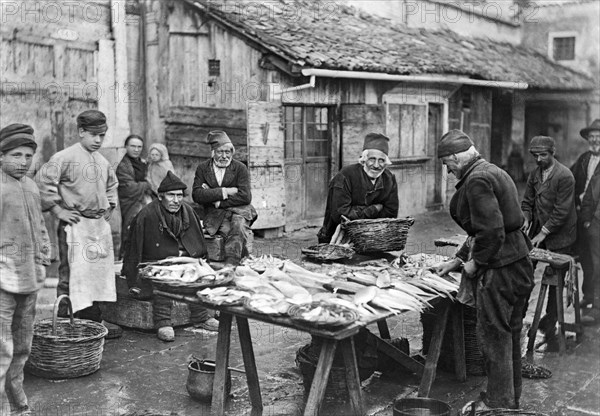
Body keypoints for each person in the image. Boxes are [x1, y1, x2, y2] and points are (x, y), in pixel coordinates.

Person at [433, 130, 534, 411]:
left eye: (447, 164)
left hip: (500, 269)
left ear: (454, 156)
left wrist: (475, 264)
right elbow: (484, 227)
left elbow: (490, 231)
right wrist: (457, 259)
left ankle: (498, 404)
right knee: (510, 333)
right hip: (519, 262)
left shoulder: (476, 180)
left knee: (494, 335)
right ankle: (510, 399)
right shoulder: (491, 171)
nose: (448, 170)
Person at [35, 110, 119, 327]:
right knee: (70, 274)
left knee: (96, 273)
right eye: (93, 135)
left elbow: (112, 185)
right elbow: (43, 182)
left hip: (97, 226)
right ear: (81, 132)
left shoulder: (102, 160)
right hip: (75, 224)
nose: (98, 140)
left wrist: (110, 204)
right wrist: (57, 210)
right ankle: (63, 322)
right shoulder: (64, 157)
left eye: (102, 135)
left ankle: (91, 323)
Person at [123, 171, 219, 341]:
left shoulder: (188, 212)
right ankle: (163, 322)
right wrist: (134, 273)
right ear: (161, 196)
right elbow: (133, 248)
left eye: (179, 195)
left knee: (196, 273)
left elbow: (197, 242)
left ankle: (201, 317)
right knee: (164, 279)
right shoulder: (147, 214)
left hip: (184, 260)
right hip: (156, 262)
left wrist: (201, 262)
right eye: (171, 195)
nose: (176, 200)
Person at [0, 124, 51, 416]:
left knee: (21, 347)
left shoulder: (31, 186)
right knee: (2, 348)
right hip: (3, 280)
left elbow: (41, 229)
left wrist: (43, 259)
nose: (23, 161)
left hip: (29, 278)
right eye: (16, 155)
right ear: (1, 156)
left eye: (28, 155)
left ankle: (18, 401)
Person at [521, 136, 577, 350]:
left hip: (561, 233)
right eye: (535, 155)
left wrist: (542, 234)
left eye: (543, 155)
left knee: (555, 279)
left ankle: (550, 322)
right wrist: (526, 218)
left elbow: (562, 212)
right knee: (525, 268)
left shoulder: (565, 176)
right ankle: (520, 315)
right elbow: (527, 201)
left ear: (553, 153)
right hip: (538, 229)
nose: (538, 159)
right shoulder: (535, 174)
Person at [317, 132, 399, 244]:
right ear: (364, 159)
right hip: (338, 239)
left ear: (386, 162)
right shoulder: (345, 175)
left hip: (373, 239)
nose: (376, 165)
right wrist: (374, 209)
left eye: (381, 160)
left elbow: (391, 213)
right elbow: (340, 214)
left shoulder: (389, 179)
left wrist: (357, 213)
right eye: (372, 159)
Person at [192, 131, 257, 266]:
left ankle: (231, 264)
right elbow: (197, 195)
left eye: (228, 152)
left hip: (240, 210)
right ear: (213, 152)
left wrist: (216, 200)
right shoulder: (203, 168)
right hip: (215, 214)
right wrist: (225, 191)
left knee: (238, 224)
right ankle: (240, 260)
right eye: (220, 152)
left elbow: (245, 196)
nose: (224, 156)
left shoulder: (240, 168)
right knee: (230, 232)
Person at [571, 119, 600, 312]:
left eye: (599, 137)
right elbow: (570, 180)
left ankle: (597, 303)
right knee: (585, 258)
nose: (595, 140)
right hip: (583, 215)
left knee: (598, 260)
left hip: (597, 218)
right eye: (592, 137)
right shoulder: (583, 159)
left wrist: (593, 217)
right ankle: (587, 295)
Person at [116, 134, 154, 255]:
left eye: (139, 147)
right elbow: (128, 188)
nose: (136, 150)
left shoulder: (145, 163)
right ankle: (126, 258)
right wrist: (147, 185)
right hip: (131, 203)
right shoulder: (123, 166)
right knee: (131, 229)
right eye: (133, 146)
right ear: (126, 147)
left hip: (146, 200)